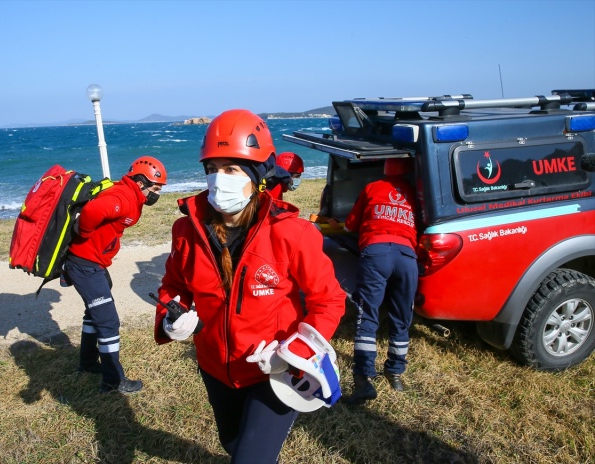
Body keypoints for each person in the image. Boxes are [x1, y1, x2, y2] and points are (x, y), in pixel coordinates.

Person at [153, 109, 345, 463]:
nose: (218, 179)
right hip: (215, 367)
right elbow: (174, 285)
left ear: (257, 176)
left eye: (230, 169)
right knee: (233, 443)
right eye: (212, 169)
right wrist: (172, 315)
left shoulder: (292, 233)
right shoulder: (187, 232)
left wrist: (296, 350)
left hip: (274, 373)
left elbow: (328, 300)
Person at [65, 156, 167, 394]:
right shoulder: (123, 197)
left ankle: (88, 363)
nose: (157, 193)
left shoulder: (129, 193)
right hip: (85, 265)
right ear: (140, 182)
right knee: (108, 321)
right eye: (155, 187)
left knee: (95, 312)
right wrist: (85, 232)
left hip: (92, 263)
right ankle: (113, 381)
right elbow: (93, 210)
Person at [342, 157, 419, 402]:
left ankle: (364, 378)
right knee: (401, 317)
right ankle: (395, 373)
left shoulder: (372, 187)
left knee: (368, 315)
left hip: (375, 253)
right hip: (407, 256)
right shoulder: (415, 193)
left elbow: (350, 225)